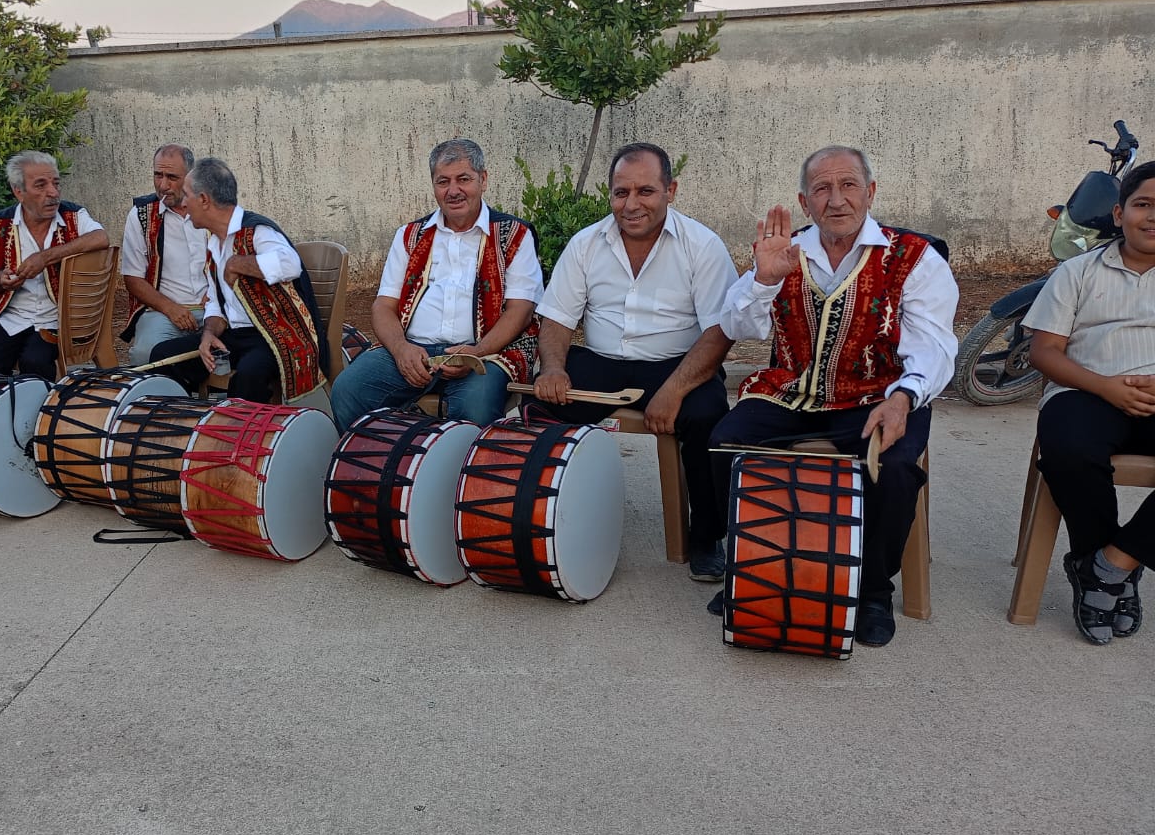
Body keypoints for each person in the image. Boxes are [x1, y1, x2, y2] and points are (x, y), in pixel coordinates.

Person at [711, 146, 958, 647]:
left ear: (870, 194)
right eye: (822, 189)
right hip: (790, 394)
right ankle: (754, 564)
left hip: (875, 399)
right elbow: (736, 324)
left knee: (895, 470)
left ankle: (872, 590)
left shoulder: (912, 256)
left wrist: (906, 397)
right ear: (805, 202)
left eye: (848, 186)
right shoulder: (785, 251)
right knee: (724, 445)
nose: (836, 200)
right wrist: (763, 280)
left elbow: (934, 344)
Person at [527, 143, 738, 582]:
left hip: (679, 365)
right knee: (538, 409)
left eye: (645, 191)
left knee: (709, 420)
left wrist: (675, 390)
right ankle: (545, 521)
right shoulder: (586, 244)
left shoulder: (702, 245)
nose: (632, 204)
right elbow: (556, 319)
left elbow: (719, 332)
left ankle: (706, 535)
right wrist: (552, 368)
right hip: (604, 363)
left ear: (670, 190)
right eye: (621, 192)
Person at [1024, 160, 1155, 645]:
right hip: (1086, 391)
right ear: (1120, 214)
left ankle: (1109, 565)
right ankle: (1107, 565)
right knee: (1068, 448)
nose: (1152, 217)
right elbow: (1044, 351)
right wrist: (1105, 387)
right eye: (1143, 205)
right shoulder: (1077, 272)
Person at [329, 139, 541, 430]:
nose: (453, 191)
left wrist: (475, 352)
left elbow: (522, 309)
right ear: (434, 186)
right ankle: (376, 467)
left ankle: (459, 474)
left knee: (474, 407)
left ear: (483, 180)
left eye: (463, 179)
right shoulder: (410, 235)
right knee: (349, 390)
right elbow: (383, 305)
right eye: (443, 181)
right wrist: (401, 349)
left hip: (486, 353)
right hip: (414, 349)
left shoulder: (514, 234)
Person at [150, 157, 328, 403]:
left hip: (273, 336)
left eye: (187, 195)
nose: (183, 202)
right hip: (233, 336)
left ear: (203, 200)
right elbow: (214, 302)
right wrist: (209, 334)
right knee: (163, 356)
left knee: (248, 376)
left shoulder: (258, 231)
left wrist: (236, 263)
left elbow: (290, 263)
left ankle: (243, 436)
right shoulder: (214, 241)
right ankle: (182, 425)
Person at [0, 151, 110, 380]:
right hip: (11, 316)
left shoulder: (73, 216)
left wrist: (45, 257)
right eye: (40, 186)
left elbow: (101, 238)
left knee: (36, 361)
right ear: (18, 192)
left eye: (55, 183)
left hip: (59, 319)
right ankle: (1, 413)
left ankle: (42, 414)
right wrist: (0, 280)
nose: (52, 193)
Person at [119, 144, 211, 365]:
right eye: (158, 175)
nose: (163, 185)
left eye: (172, 177)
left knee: (240, 350)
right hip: (161, 312)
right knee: (145, 355)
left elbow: (231, 261)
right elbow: (132, 278)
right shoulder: (142, 215)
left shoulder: (210, 208)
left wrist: (219, 296)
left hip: (213, 310)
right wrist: (171, 308)